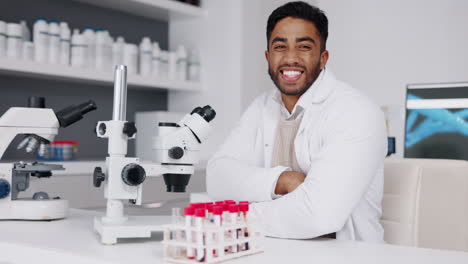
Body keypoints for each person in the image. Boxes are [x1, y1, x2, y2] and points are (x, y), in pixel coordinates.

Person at [206, 1, 387, 242]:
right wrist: (282, 180)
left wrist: (233, 219)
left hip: (345, 255)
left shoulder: (355, 111)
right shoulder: (262, 106)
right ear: (268, 57)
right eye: (280, 46)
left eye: (304, 46)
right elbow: (217, 178)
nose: (290, 58)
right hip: (275, 249)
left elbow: (320, 215)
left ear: (323, 58)